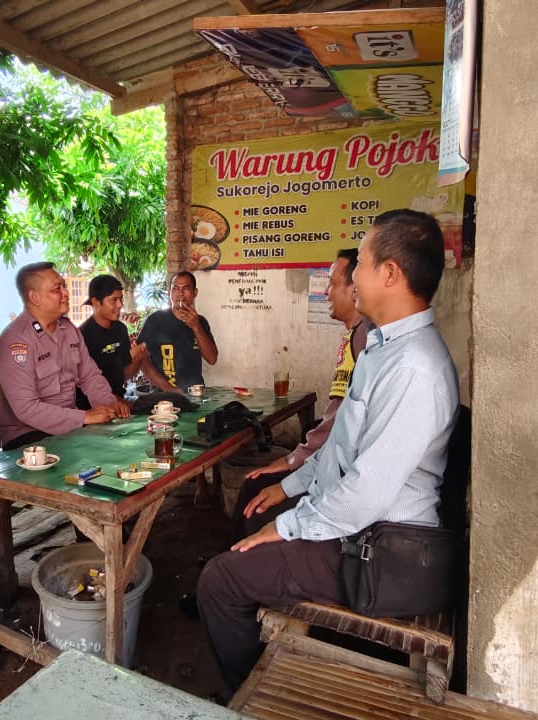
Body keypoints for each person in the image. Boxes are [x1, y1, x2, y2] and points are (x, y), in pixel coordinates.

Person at [196, 210, 460, 696]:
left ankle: (254, 696)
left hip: (381, 549)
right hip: (357, 526)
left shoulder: (414, 369)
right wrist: (288, 487)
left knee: (219, 580)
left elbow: (366, 494)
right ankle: (261, 649)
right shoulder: (383, 349)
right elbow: (340, 448)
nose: (351, 276)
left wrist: (287, 526)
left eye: (359, 262)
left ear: (389, 274)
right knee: (257, 502)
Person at [233, 247, 374, 537]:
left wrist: (292, 461)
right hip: (324, 460)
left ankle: (236, 557)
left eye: (333, 283)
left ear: (355, 289)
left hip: (336, 474)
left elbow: (342, 425)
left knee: (254, 490)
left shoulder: (367, 337)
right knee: (258, 483)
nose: (326, 292)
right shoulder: (356, 335)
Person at [0, 262, 131, 450]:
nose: (66, 293)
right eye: (57, 289)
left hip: (69, 428)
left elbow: (90, 376)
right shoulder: (16, 342)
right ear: (35, 297)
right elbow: (27, 409)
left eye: (64, 286)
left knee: (123, 447)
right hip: (26, 436)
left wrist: (110, 405)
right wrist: (85, 417)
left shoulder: (69, 330)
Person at [137, 271, 218, 393]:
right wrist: (169, 388)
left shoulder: (200, 322)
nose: (180, 293)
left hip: (195, 395)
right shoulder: (156, 320)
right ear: (169, 293)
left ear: (195, 293)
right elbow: (141, 360)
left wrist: (196, 328)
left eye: (186, 288)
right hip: (164, 397)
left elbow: (212, 359)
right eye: (175, 288)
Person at [76, 274, 149, 408]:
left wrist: (139, 359)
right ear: (95, 302)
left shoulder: (120, 329)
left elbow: (123, 376)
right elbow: (86, 384)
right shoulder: (82, 336)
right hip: (93, 409)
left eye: (121, 299)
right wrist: (118, 402)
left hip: (119, 403)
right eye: (113, 300)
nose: (120, 305)